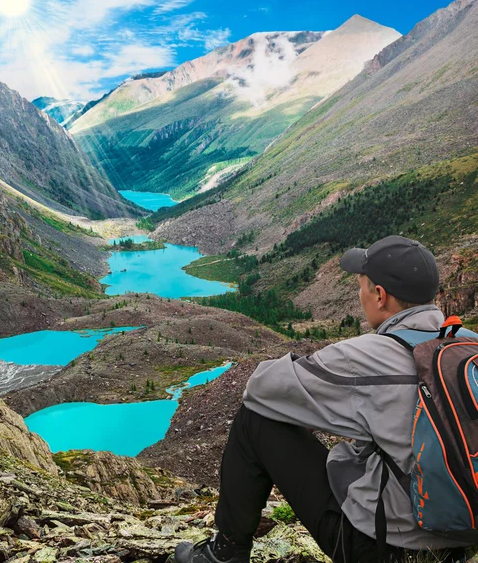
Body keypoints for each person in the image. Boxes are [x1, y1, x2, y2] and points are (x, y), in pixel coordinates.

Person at [173, 236, 471, 563]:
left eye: (362, 287)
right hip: (465, 539)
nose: (360, 296)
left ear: (380, 296)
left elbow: (261, 388)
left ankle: (225, 553)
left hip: (385, 549)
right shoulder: (466, 345)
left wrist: (307, 363)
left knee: (255, 420)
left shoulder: (370, 356)